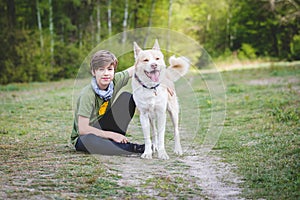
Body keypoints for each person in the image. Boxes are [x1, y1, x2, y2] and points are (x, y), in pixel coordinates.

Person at [71, 50, 145, 155]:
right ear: (93, 72)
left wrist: (164, 80)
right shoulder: (87, 94)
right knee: (88, 140)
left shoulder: (114, 81)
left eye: (110, 69)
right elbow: (83, 129)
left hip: (104, 126)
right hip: (86, 135)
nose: (106, 73)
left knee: (127, 98)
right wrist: (112, 135)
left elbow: (137, 68)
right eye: (101, 69)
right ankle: (131, 148)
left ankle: (111, 143)